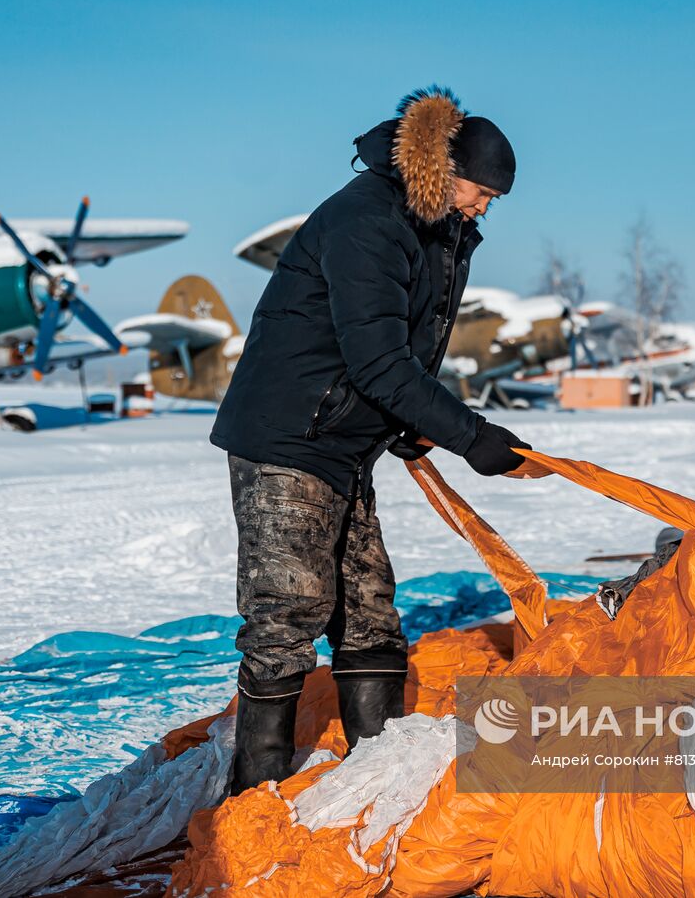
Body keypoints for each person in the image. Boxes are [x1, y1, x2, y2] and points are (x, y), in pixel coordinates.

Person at [211, 86, 530, 794]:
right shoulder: (367, 221)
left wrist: (408, 422)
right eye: (481, 193)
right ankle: (254, 795)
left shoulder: (433, 227)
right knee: (286, 610)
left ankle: (375, 780)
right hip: (288, 436)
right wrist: (469, 437)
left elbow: (405, 351)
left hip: (345, 439)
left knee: (369, 612)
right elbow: (378, 360)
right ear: (443, 172)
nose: (483, 209)